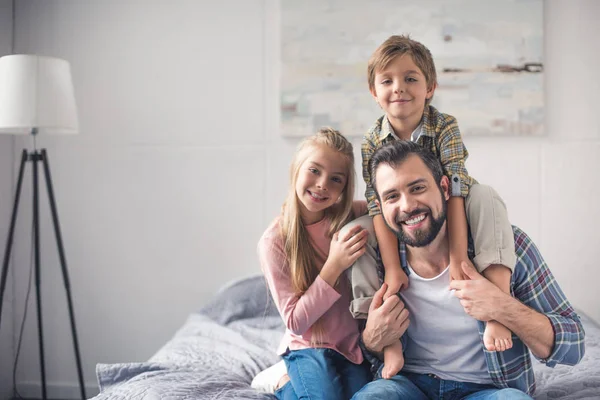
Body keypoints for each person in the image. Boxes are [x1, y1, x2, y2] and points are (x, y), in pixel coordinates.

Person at [351, 140, 585, 399]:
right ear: (380, 207)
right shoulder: (377, 259)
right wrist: (373, 338)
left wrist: (501, 306)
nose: (406, 206)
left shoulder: (505, 246)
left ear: (444, 188)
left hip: (489, 390)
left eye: (417, 188)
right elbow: (358, 350)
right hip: (407, 385)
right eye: (392, 196)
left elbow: (574, 345)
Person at [351, 34, 517, 379]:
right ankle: (386, 336)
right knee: (359, 229)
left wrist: (458, 256)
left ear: (430, 88)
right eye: (388, 81)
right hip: (399, 218)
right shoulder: (371, 139)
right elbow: (376, 203)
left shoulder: (444, 126)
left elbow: (454, 189)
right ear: (374, 92)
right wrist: (394, 270)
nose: (399, 88)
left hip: (450, 206)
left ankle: (497, 311)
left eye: (411, 78)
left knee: (485, 194)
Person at [257, 128, 372, 400]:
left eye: (336, 179)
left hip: (350, 347)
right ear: (296, 168)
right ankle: (281, 380)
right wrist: (334, 265)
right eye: (314, 170)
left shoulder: (349, 215)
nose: (322, 185)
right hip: (306, 346)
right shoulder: (274, 241)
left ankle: (288, 384)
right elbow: (296, 321)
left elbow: (388, 205)